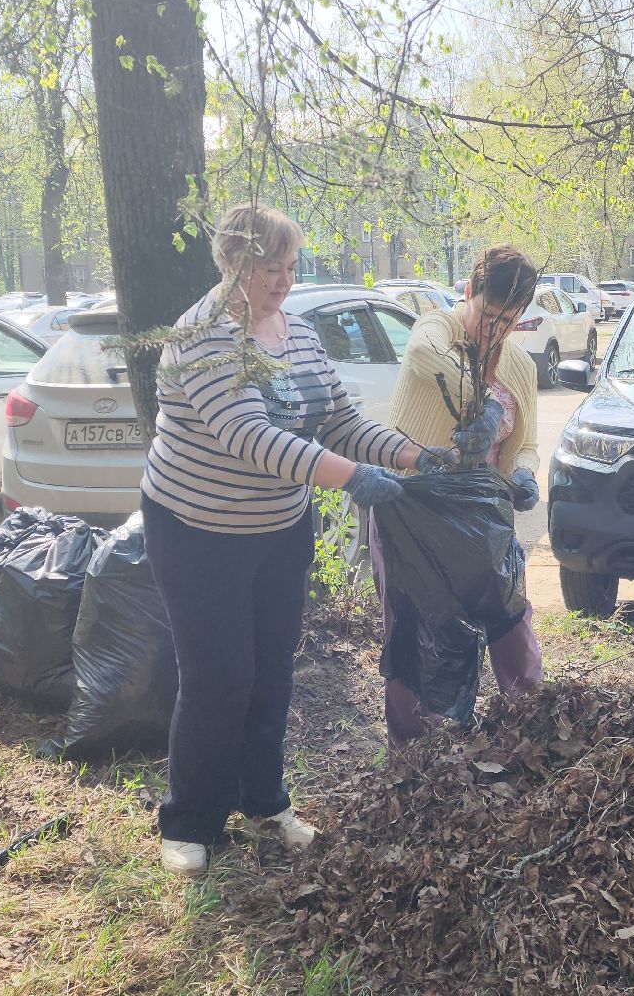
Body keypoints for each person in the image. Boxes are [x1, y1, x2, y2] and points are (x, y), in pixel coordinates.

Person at [142, 203, 447, 876]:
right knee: (218, 676)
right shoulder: (205, 337)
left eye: (290, 267)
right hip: (198, 532)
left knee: (272, 668)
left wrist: (415, 457)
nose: (283, 281)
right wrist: (349, 478)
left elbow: (341, 421)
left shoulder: (299, 333)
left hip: (278, 529)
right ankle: (189, 821)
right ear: (231, 264)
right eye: (267, 268)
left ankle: (264, 801)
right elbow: (252, 438)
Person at [375, 246, 546, 743]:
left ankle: (530, 729)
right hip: (411, 507)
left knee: (510, 620)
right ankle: (418, 753)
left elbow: (526, 445)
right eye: (488, 314)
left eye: (509, 319)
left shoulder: (521, 367)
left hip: (482, 516)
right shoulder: (437, 329)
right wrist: (486, 403)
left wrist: (524, 475)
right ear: (468, 293)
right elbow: (424, 355)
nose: (495, 329)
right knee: (417, 632)